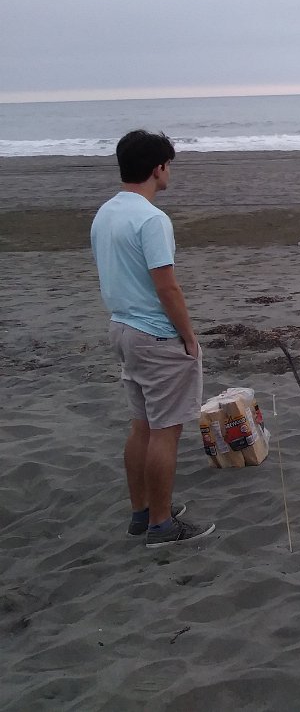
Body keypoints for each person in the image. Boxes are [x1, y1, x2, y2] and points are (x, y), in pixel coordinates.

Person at [90, 130, 215, 547]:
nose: (169, 172)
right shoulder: (151, 219)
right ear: (158, 168)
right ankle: (161, 524)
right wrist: (188, 336)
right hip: (153, 333)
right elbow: (167, 286)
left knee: (141, 426)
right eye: (168, 165)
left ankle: (142, 512)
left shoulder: (106, 213)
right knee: (165, 430)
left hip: (121, 327)